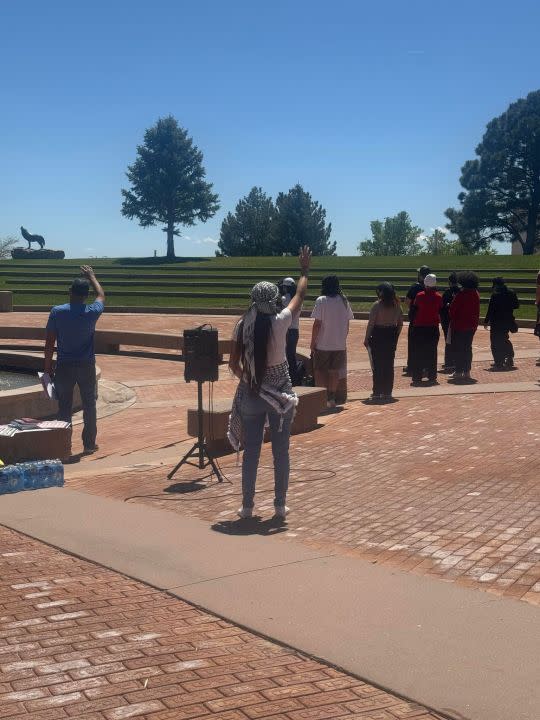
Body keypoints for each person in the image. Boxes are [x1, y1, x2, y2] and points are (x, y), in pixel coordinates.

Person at [229, 246, 311, 520]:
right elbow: (299, 295)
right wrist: (304, 270)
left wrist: (254, 381)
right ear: (275, 300)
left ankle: (247, 506)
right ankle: (279, 505)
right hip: (281, 396)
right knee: (281, 452)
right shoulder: (281, 321)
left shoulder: (242, 326)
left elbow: (233, 366)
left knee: (251, 451)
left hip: (252, 394)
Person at [44, 266, 105, 454]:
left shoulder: (57, 312)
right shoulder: (92, 311)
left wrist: (47, 369)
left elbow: (49, 344)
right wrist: (92, 276)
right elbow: (101, 295)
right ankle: (88, 445)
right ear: (86, 295)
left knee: (64, 407)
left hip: (64, 366)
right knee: (89, 405)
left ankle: (65, 447)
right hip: (86, 366)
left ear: (70, 292)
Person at [310, 275, 354, 408]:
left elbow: (317, 324)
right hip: (339, 344)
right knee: (334, 371)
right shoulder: (344, 301)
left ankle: (321, 399)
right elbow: (347, 323)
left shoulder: (321, 300)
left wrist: (313, 342)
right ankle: (332, 398)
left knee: (319, 371)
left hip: (323, 343)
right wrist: (342, 338)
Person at [363, 282, 403, 401]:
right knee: (388, 364)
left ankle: (377, 391)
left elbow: (371, 323)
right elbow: (400, 323)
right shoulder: (397, 305)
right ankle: (387, 391)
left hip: (378, 334)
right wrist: (396, 335)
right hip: (391, 334)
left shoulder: (377, 305)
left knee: (377, 364)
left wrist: (366, 338)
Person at [410, 274, 442, 386]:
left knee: (418, 352)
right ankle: (432, 375)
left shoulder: (419, 295)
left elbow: (414, 310)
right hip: (433, 327)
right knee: (432, 352)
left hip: (419, 327)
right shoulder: (439, 296)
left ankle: (417, 375)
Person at [448, 271, 480, 382]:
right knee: (467, 349)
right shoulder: (476, 294)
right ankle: (467, 372)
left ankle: (458, 371)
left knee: (458, 350)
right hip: (471, 326)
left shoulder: (461, 295)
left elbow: (452, 311)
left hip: (459, 326)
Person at [484, 277, 520, 370]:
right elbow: (516, 305)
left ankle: (498, 361)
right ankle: (509, 357)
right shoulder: (511, 292)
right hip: (508, 320)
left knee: (495, 342)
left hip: (496, 322)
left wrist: (486, 321)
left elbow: (490, 310)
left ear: (496, 285)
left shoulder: (495, 295)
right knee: (504, 339)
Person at [404, 265, 431, 375]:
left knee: (414, 344)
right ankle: (425, 366)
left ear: (420, 275)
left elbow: (407, 301)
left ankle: (412, 366)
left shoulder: (415, 287)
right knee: (426, 345)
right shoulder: (431, 287)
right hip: (429, 320)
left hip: (416, 320)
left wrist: (412, 307)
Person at [281, 277, 302, 385]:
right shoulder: (298, 299)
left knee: (284, 356)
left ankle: (286, 379)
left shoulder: (284, 299)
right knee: (291, 355)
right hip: (295, 330)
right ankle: (295, 379)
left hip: (286, 331)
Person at [440, 272, 460, 372]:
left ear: (449, 282)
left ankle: (449, 363)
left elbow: (441, 307)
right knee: (458, 341)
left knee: (449, 342)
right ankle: (457, 361)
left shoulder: (447, 292)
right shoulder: (461, 291)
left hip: (448, 321)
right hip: (459, 321)